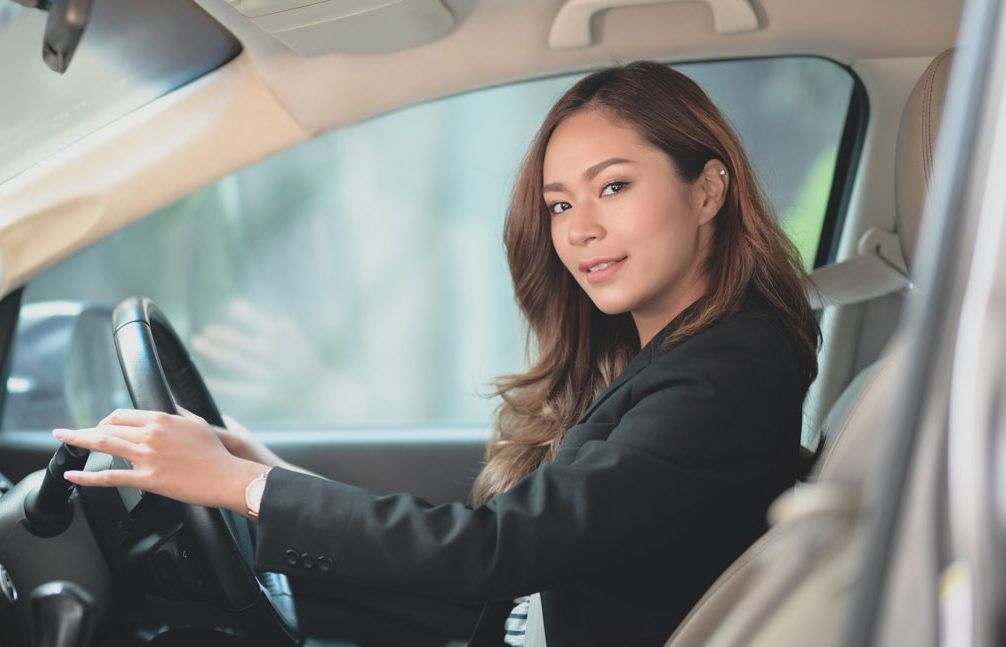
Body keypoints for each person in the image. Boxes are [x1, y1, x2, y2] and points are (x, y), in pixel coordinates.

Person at [52, 61, 820, 646]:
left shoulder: (728, 375)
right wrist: (266, 473)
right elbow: (508, 563)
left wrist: (243, 484)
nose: (578, 228)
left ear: (709, 189)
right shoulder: (670, 360)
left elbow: (497, 552)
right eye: (559, 204)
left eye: (613, 187)